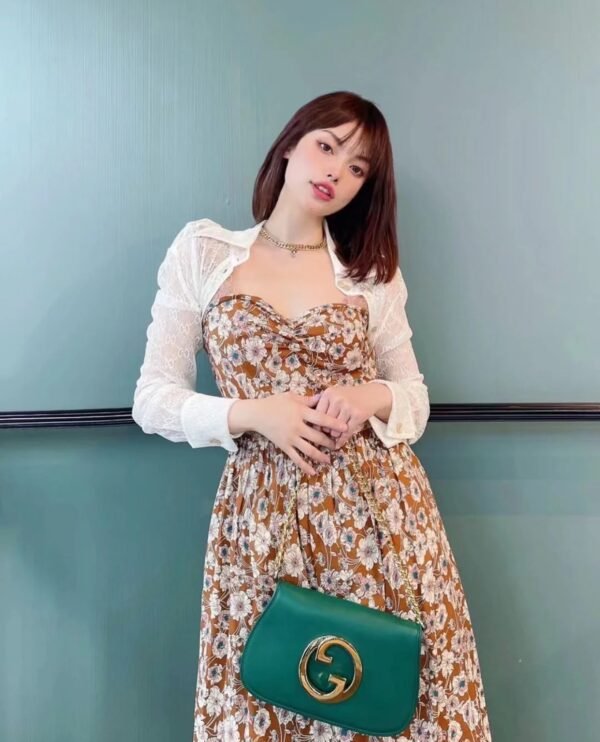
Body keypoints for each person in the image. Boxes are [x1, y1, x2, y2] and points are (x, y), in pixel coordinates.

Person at [132, 90, 492, 741]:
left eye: (357, 168)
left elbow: (412, 396)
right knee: (268, 703)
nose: (336, 172)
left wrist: (368, 397)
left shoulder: (369, 273)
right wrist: (254, 414)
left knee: (388, 699)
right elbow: (153, 399)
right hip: (261, 518)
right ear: (290, 145)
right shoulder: (206, 252)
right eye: (327, 146)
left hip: (381, 514)